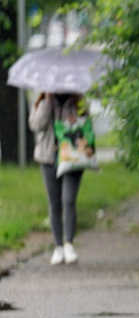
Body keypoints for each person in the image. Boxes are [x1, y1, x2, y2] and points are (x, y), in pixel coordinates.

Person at [29, 92, 89, 265]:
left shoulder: (77, 101)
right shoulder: (42, 100)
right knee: (54, 202)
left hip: (72, 157)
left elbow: (87, 124)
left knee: (68, 199)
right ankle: (58, 247)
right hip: (48, 158)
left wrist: (75, 116)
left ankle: (69, 243)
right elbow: (36, 125)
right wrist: (47, 102)